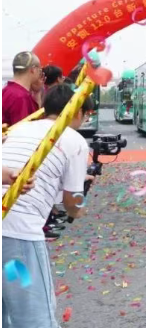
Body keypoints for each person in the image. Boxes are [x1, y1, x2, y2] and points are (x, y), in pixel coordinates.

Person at [2, 85, 94, 328]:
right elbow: (72, 203)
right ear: (77, 112)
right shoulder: (73, 139)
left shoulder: (19, 129)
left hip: (7, 222)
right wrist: (79, 208)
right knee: (35, 318)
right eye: (86, 115)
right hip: (17, 236)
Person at [2, 51, 43, 127]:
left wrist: (37, 94)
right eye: (40, 70)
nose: (40, 73)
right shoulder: (20, 97)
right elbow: (23, 130)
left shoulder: (6, 90)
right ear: (33, 69)